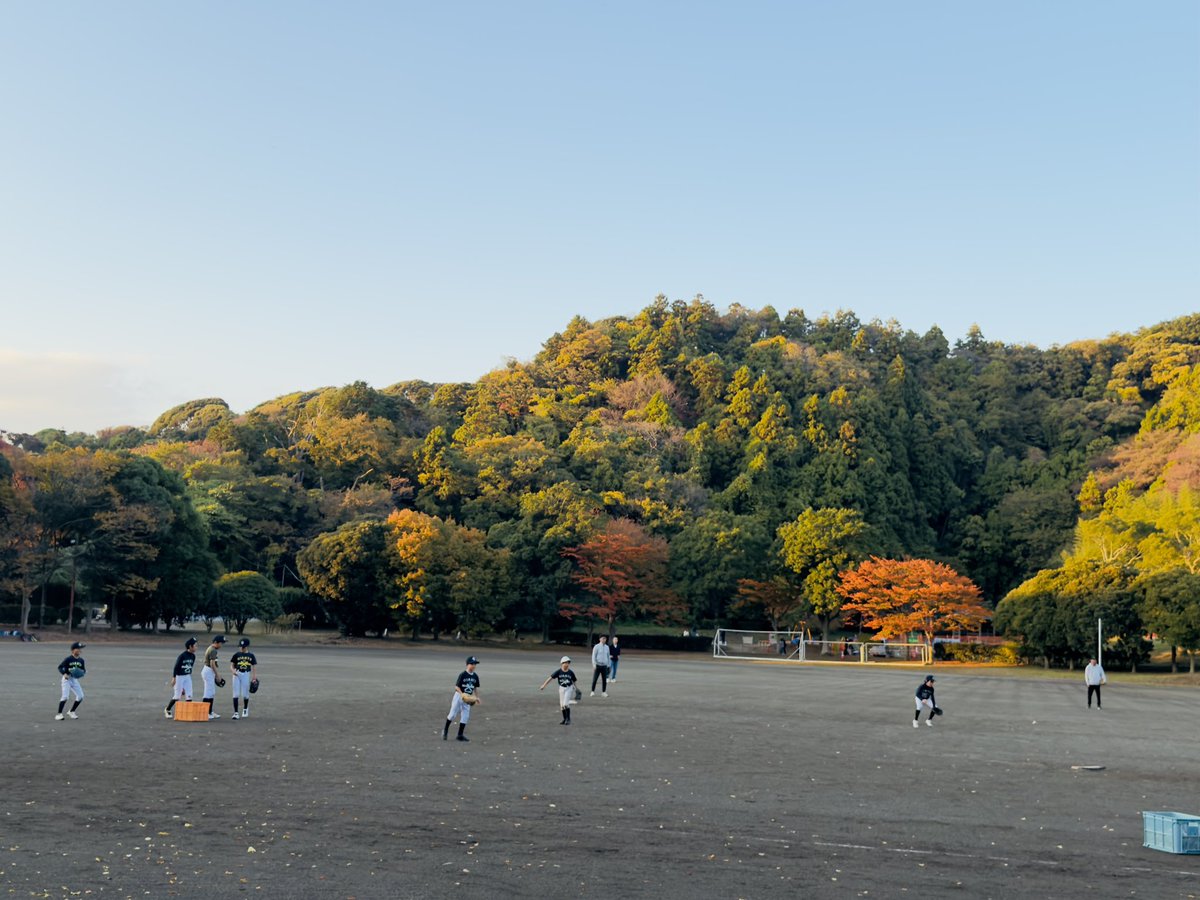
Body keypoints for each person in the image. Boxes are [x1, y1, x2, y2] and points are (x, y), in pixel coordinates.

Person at [443, 656, 481, 742]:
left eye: (475, 664)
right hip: (459, 696)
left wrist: (476, 697)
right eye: (472, 664)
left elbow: (475, 688)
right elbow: (456, 687)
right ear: (467, 665)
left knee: (465, 716)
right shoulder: (463, 674)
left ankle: (460, 735)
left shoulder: (475, 676)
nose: (474, 666)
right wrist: (462, 694)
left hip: (468, 698)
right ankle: (445, 730)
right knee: (452, 714)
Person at [164, 637, 198, 719]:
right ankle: (167, 709)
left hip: (187, 676)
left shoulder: (193, 656)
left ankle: (188, 712)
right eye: (195, 645)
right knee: (177, 696)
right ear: (190, 646)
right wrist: (174, 678)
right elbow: (176, 667)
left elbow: (190, 667)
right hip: (179, 677)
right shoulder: (182, 656)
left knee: (189, 695)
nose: (197, 647)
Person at [540, 655, 579, 725]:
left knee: (565, 704)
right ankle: (564, 719)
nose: (566, 664)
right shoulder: (559, 671)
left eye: (567, 663)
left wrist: (576, 688)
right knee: (562, 705)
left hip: (569, 688)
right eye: (565, 663)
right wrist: (544, 685)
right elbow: (550, 678)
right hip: (561, 688)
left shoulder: (571, 672)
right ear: (562, 663)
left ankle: (568, 719)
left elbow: (574, 680)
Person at [56, 641, 86, 720]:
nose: (80, 650)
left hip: (74, 679)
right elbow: (60, 667)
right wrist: (64, 673)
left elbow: (83, 670)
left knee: (80, 696)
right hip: (66, 679)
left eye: (80, 649)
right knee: (65, 697)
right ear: (73, 650)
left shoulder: (81, 660)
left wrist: (82, 673)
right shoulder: (68, 659)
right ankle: (59, 714)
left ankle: (71, 711)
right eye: (78, 648)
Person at [229, 637, 258, 719]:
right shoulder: (236, 655)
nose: (241, 648)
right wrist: (232, 671)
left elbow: (254, 666)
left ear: (247, 647)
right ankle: (236, 713)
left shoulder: (251, 655)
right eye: (240, 646)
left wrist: (254, 676)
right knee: (236, 694)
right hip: (237, 674)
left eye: (243, 647)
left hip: (246, 674)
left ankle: (245, 708)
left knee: (245, 694)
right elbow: (231, 665)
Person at [201, 635, 226, 720]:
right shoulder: (213, 650)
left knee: (211, 692)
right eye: (221, 643)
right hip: (208, 671)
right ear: (216, 642)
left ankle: (210, 712)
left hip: (208, 671)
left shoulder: (211, 648)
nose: (221, 645)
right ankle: (205, 713)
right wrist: (217, 675)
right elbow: (212, 664)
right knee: (208, 692)